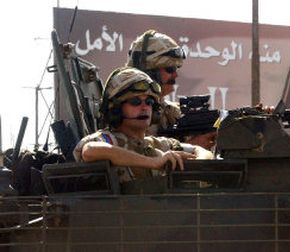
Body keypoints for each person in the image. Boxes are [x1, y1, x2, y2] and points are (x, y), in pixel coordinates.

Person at [73, 67, 213, 193]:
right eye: (135, 102)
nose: (145, 107)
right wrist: (154, 162)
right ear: (116, 109)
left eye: (149, 102)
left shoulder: (158, 144)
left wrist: (198, 164)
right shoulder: (108, 139)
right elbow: (90, 150)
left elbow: (200, 150)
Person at [126, 29, 217, 149]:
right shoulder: (127, 112)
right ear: (150, 72)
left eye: (176, 69)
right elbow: (134, 153)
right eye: (169, 69)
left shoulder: (171, 112)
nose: (175, 75)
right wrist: (192, 147)